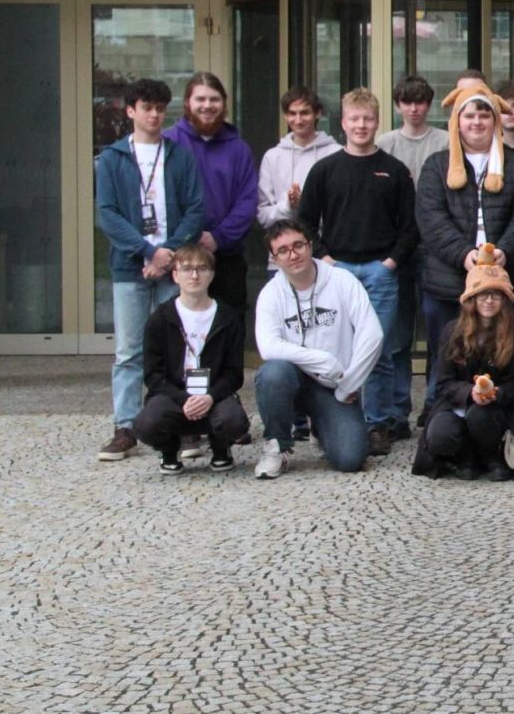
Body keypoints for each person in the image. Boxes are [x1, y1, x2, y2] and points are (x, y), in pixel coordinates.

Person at [297, 87, 418, 457]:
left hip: (381, 272)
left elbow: (410, 226)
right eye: (354, 119)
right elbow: (304, 221)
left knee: (378, 350)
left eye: (367, 119)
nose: (361, 125)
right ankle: (335, 420)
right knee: (334, 349)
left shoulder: (394, 170)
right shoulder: (325, 169)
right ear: (343, 123)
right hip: (336, 272)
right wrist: (324, 259)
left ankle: (378, 423)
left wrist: (391, 263)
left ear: (377, 122)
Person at [96, 77, 206, 462]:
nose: (155, 115)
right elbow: (108, 214)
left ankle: (184, 423)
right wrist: (146, 252)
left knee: (181, 346)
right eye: (147, 108)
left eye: (160, 108)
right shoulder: (112, 159)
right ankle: (125, 426)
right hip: (131, 268)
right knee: (129, 350)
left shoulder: (179, 156)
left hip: (175, 268)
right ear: (131, 111)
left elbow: (195, 208)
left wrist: (169, 252)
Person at [413, 83, 514, 399]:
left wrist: (505, 251)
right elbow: (431, 218)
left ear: (495, 121)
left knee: (504, 350)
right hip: (448, 277)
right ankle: (437, 410)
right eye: (469, 115)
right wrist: (463, 254)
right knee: (445, 352)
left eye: (484, 115)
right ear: (457, 121)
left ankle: (503, 410)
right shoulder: (436, 166)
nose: (477, 122)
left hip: (504, 274)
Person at [251, 218, 382, 478]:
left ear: (310, 245)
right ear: (274, 259)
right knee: (272, 373)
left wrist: (350, 382)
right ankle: (277, 447)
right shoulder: (271, 293)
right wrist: (323, 361)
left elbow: (372, 334)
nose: (293, 255)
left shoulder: (342, 280)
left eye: (298, 245)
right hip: (291, 380)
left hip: (334, 386)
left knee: (350, 459)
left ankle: (320, 429)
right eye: (283, 250)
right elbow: (268, 347)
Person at [413, 259, 514, 481]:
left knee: (480, 415)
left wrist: (495, 393)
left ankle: (490, 456)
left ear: (505, 300)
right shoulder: (453, 331)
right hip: (456, 405)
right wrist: (469, 392)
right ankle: (464, 456)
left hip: (496, 410)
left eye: (496, 295)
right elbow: (444, 381)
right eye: (482, 295)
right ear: (472, 298)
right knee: (440, 435)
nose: (489, 301)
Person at [132, 243, 247, 473]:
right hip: (173, 396)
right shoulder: (160, 318)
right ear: (175, 275)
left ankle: (221, 448)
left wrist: (210, 397)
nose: (194, 275)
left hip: (213, 395)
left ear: (211, 274)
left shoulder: (228, 318)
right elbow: (153, 375)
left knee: (234, 421)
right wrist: (183, 398)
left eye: (202, 269)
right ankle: (168, 450)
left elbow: (233, 373)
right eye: (187, 269)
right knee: (146, 424)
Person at [376, 74, 449, 430]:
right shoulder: (385, 143)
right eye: (407, 102)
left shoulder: (445, 141)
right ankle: (397, 410)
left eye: (420, 102)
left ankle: (435, 403)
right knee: (399, 334)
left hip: (438, 249)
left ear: (429, 104)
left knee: (439, 332)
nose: (414, 108)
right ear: (398, 105)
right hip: (399, 248)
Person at [164, 71, 257, 317]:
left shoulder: (238, 149)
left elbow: (247, 202)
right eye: (200, 99)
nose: (207, 105)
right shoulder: (169, 143)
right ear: (187, 102)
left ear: (224, 104)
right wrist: (187, 237)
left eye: (214, 99)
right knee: (181, 328)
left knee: (228, 326)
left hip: (226, 256)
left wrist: (218, 237)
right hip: (179, 257)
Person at [255, 87, 341, 245]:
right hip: (283, 251)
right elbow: (263, 215)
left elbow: (342, 212)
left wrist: (306, 205)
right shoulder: (272, 157)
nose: (298, 120)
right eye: (292, 114)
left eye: (304, 113)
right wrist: (288, 206)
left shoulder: (336, 154)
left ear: (318, 113)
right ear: (285, 116)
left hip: (327, 249)